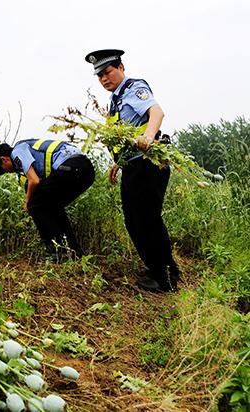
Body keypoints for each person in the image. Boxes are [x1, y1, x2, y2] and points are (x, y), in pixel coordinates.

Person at [85, 49, 179, 292]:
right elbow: (127, 134)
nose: (104, 79)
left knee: (148, 219)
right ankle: (158, 268)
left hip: (149, 162)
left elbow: (156, 112)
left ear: (121, 67)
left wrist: (148, 136)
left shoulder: (133, 88)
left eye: (108, 72)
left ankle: (165, 277)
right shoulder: (115, 100)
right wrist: (118, 161)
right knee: (133, 220)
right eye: (100, 76)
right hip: (133, 164)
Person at [0, 139, 95, 260]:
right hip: (86, 170)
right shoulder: (31, 153)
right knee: (53, 207)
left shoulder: (17, 151)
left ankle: (56, 252)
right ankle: (75, 252)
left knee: (35, 205)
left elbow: (34, 180)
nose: (7, 172)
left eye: (3, 168)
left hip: (71, 166)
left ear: (4, 159)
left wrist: (27, 202)